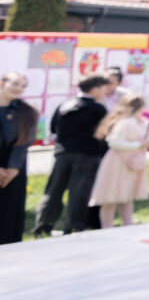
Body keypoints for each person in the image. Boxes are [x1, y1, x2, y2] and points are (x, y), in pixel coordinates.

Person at [34, 74, 112, 236]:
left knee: (54, 189)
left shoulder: (64, 104)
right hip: (87, 154)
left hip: (63, 153)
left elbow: (54, 128)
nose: (105, 92)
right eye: (103, 88)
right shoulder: (98, 108)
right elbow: (104, 132)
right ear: (95, 89)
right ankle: (73, 227)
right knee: (79, 191)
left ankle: (43, 225)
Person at [88, 92, 149, 227]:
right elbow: (114, 143)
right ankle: (107, 227)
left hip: (130, 162)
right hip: (117, 162)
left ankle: (127, 225)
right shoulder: (124, 123)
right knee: (110, 197)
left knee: (126, 196)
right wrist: (138, 145)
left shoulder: (138, 122)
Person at [0, 72, 38, 245]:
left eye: (23, 86)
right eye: (15, 84)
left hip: (13, 166)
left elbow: (25, 140)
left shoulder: (27, 111)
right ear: (2, 83)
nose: (19, 89)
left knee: (10, 209)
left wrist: (13, 168)